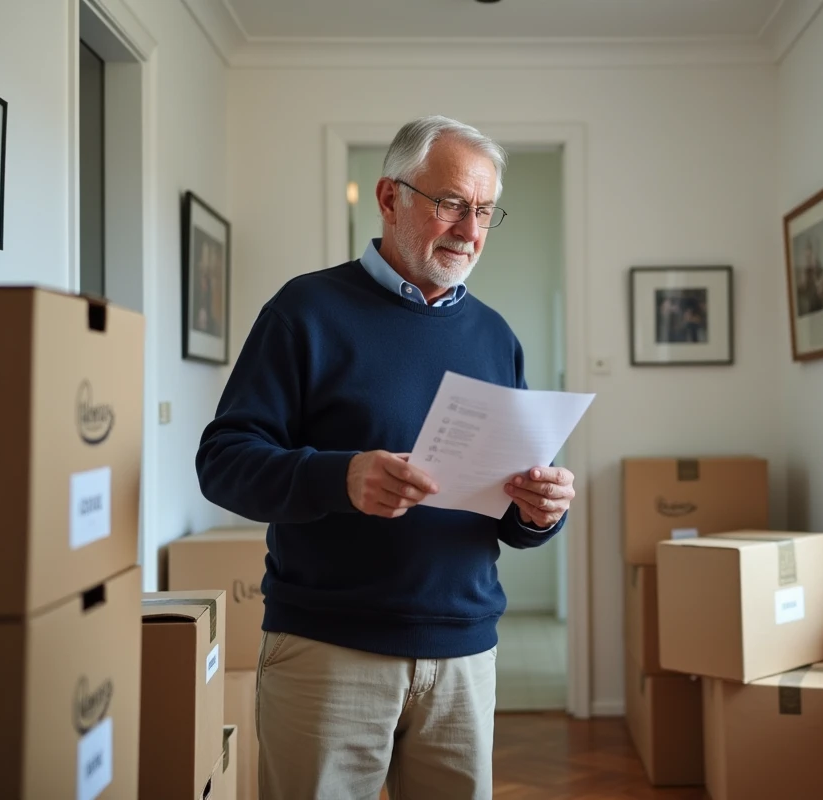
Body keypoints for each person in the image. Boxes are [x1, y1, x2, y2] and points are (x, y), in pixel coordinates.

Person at [196, 115, 576, 800]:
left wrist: (540, 512)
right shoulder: (304, 310)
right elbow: (222, 460)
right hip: (329, 651)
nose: (470, 229)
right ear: (390, 197)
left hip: (464, 652)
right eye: (451, 203)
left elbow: (506, 514)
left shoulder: (496, 336)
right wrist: (338, 477)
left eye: (485, 211)